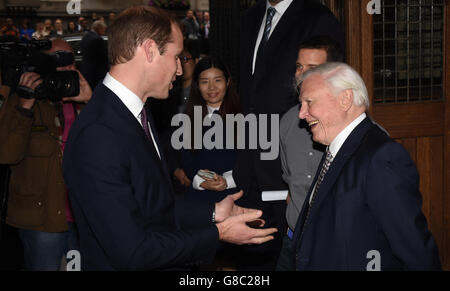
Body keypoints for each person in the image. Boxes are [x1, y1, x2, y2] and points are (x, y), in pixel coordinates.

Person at [62, 6, 277, 271]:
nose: (179, 70)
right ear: (150, 50)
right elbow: (132, 252)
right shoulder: (99, 133)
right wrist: (219, 233)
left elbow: (154, 205)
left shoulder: (136, 113)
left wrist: (213, 212)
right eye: (176, 57)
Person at [291, 62, 441, 270]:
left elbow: (414, 248)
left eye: (309, 102)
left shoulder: (381, 156)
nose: (301, 113)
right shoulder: (336, 150)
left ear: (345, 99)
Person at [235, 0, 345, 270]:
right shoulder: (249, 18)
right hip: (250, 161)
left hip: (293, 162)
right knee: (253, 254)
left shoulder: (317, 17)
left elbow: (327, 92)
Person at [0, 38, 92, 271]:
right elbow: (6, 154)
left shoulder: (80, 96)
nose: (69, 67)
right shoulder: (21, 99)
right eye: (60, 60)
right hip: (41, 218)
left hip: (83, 215)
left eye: (72, 59)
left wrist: (90, 103)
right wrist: (25, 106)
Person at [276, 35, 343, 270]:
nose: (300, 74)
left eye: (312, 68)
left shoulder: (360, 132)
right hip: (292, 245)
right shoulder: (287, 123)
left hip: (336, 250)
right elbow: (290, 183)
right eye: (298, 66)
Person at [79, 20, 108, 90]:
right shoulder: (98, 39)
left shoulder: (86, 36)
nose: (104, 31)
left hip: (86, 70)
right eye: (103, 29)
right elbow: (103, 58)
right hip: (96, 73)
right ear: (99, 28)